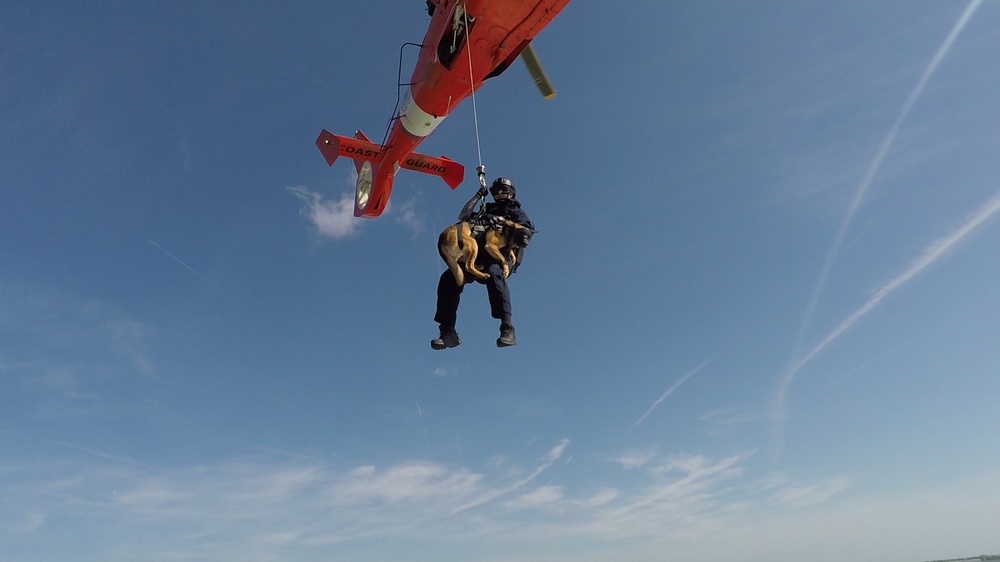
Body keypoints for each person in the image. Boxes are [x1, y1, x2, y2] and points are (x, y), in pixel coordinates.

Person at [431, 174, 535, 349]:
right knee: (448, 279)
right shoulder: (487, 209)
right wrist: (479, 195)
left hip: (502, 255)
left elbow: (527, 231)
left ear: (511, 194)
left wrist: (502, 221)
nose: (500, 193)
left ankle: (507, 327)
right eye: (497, 191)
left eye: (505, 190)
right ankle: (448, 331)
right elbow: (464, 216)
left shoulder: (515, 211)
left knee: (495, 273)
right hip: (477, 255)